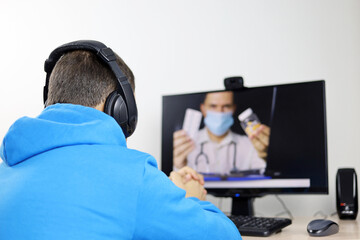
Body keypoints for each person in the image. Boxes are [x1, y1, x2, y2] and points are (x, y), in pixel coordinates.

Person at [0, 41, 241, 240]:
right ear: (119, 108)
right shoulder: (135, 176)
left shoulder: (5, 172)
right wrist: (188, 197)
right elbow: (227, 237)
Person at [173, 91, 270, 175]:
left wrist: (269, 156)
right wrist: (179, 166)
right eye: (213, 106)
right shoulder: (184, 144)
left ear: (233, 109)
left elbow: (264, 176)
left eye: (226, 106)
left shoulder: (251, 144)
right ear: (203, 108)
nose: (219, 112)